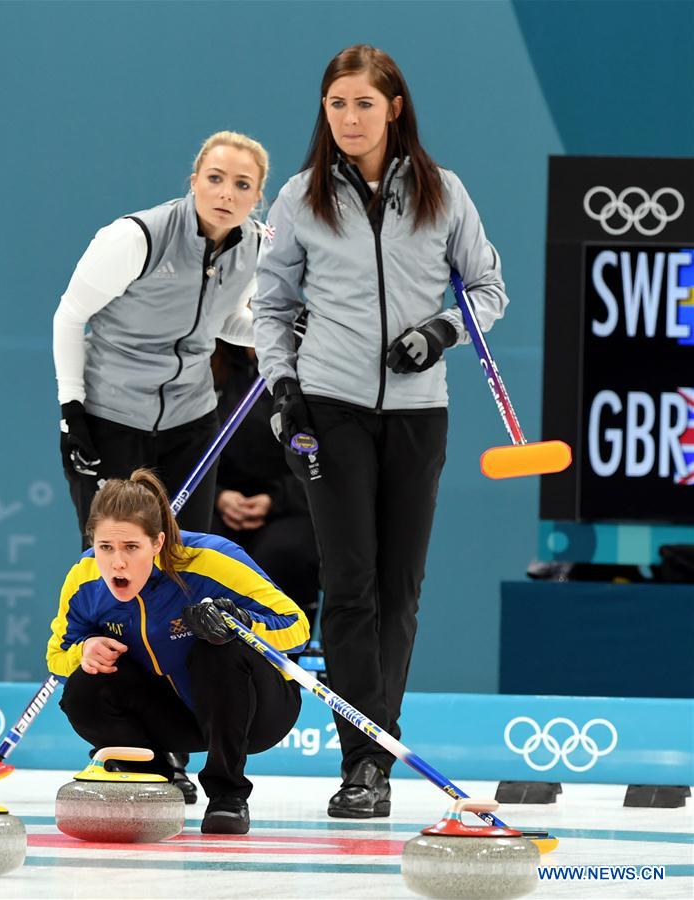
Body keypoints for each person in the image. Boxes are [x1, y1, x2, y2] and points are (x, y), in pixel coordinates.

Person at [252, 44, 509, 818]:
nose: (349, 118)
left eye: (364, 103)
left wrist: (438, 333)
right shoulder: (299, 198)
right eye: (336, 104)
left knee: (399, 590)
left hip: (417, 412)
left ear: (393, 107)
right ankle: (363, 762)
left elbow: (488, 288)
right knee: (351, 586)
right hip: (329, 409)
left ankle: (377, 748)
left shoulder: (443, 193)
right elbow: (269, 306)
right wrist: (282, 386)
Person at [46, 469, 309, 835]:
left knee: (216, 649)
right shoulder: (85, 579)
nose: (116, 562)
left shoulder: (211, 560)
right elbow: (58, 659)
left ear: (157, 542)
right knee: (83, 688)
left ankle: (227, 795)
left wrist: (241, 622)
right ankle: (152, 774)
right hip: (172, 716)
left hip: (256, 713)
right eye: (105, 547)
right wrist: (85, 650)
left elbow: (297, 627)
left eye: (131, 547)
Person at [53, 130, 268, 543]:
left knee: (185, 564)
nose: (226, 194)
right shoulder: (138, 238)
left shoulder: (254, 246)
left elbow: (223, 322)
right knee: (115, 566)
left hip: (191, 423)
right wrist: (71, 411)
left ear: (256, 197)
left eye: (242, 185)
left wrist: (276, 330)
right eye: (215, 178)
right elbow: (70, 315)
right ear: (194, 182)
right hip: (113, 420)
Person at [210, 339, 320, 628]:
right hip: (216, 502)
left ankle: (281, 654)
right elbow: (183, 450)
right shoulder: (205, 365)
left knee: (281, 554)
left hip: (290, 505)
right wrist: (218, 497)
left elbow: (327, 459)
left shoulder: (308, 371)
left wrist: (276, 499)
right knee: (206, 551)